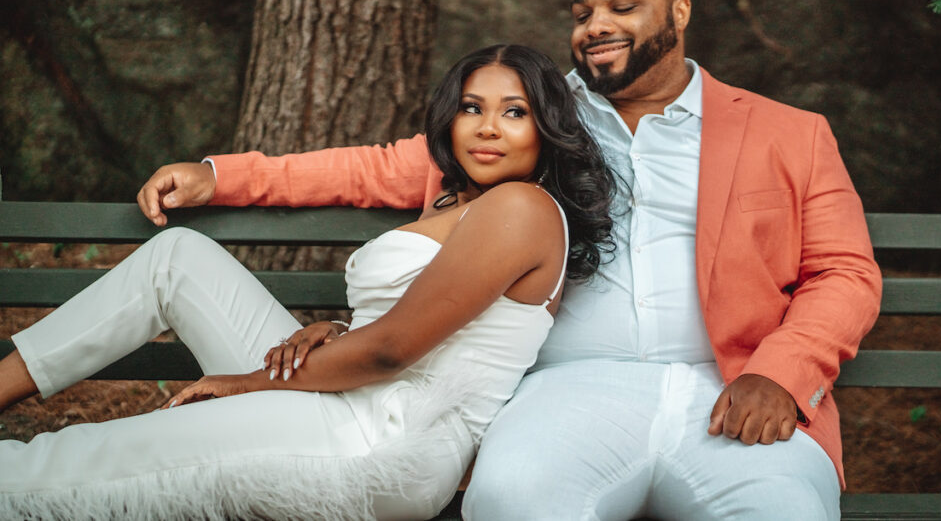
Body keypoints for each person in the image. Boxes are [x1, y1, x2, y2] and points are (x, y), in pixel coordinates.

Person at [133, 0, 883, 520]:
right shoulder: (534, 121)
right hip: (564, 391)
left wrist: (777, 375)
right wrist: (223, 175)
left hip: (730, 388)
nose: (596, 26)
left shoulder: (789, 133)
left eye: (622, 5)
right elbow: (372, 169)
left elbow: (845, 273)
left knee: (786, 509)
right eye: (582, 12)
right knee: (510, 503)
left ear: (679, 12)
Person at [0, 44, 615, 520]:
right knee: (177, 258)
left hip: (379, 439)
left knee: (83, 463)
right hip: (345, 393)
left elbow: (392, 348)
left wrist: (244, 385)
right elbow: (426, 315)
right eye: (472, 108)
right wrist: (338, 328)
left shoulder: (520, 209)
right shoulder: (457, 194)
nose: (487, 127)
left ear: (547, 129)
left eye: (515, 112)